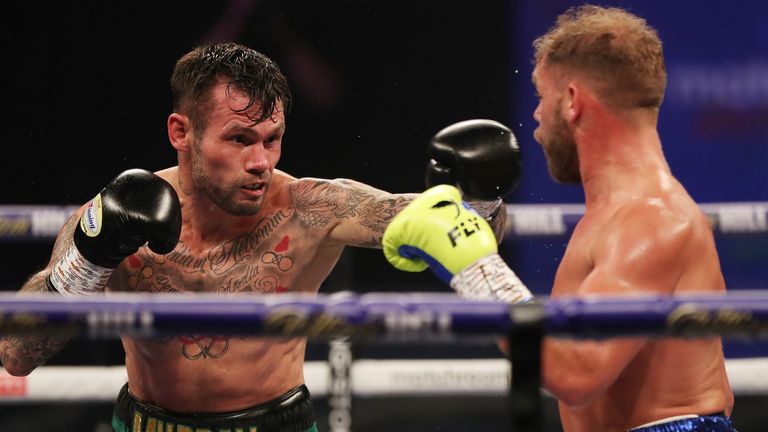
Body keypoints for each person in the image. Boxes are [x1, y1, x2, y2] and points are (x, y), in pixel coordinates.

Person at [0, 42, 523, 432]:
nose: (261, 163)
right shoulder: (115, 213)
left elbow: (456, 229)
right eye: (240, 139)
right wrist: (88, 263)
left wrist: (481, 198)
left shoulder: (311, 208)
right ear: (180, 133)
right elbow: (17, 354)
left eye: (273, 141)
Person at [384, 5, 737, 432]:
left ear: (571, 101)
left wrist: (476, 268)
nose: (535, 115)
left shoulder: (651, 219)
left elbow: (577, 371)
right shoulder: (619, 214)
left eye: (541, 95)